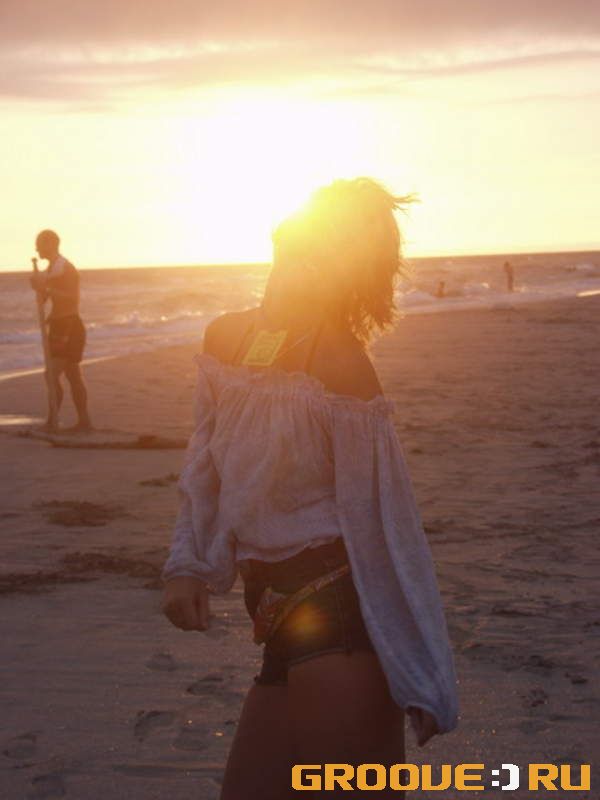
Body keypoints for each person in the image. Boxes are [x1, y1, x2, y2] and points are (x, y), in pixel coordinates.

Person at [161, 178, 459, 799]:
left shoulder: (341, 367)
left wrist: (420, 666)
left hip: (338, 609)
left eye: (322, 256)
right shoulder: (225, 337)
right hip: (274, 614)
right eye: (297, 245)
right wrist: (187, 565)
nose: (299, 265)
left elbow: (388, 525)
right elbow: (204, 465)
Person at [29, 230, 92, 432]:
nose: (36, 248)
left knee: (52, 374)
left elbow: (71, 298)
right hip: (59, 325)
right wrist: (39, 289)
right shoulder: (51, 270)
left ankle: (53, 420)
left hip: (69, 326)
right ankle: (83, 421)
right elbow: (45, 299)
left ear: (51, 244)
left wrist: (45, 289)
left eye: (40, 244)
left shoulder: (65, 268)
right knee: (72, 375)